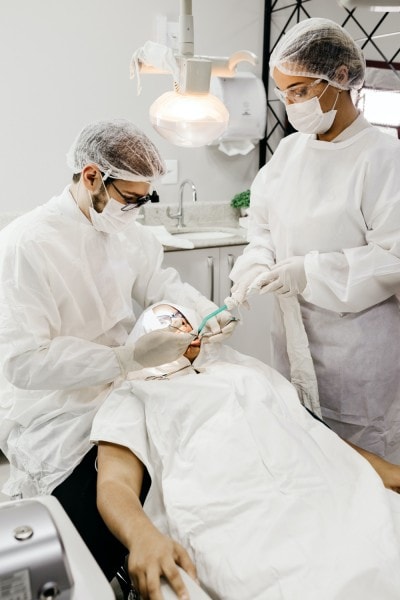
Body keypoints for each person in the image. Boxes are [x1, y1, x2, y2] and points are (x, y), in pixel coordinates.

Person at [0, 118, 236, 582]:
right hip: (56, 405)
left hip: (127, 386)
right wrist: (123, 358)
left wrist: (211, 312)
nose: (137, 210)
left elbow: (160, 284)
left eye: (145, 199)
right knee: (98, 517)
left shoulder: (130, 233)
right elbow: (22, 362)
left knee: (192, 460)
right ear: (91, 177)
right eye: (131, 198)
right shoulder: (27, 244)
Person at [92, 302, 400, 600]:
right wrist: (141, 536)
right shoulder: (134, 394)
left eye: (184, 319)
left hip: (317, 488)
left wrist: (380, 467)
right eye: (167, 323)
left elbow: (309, 431)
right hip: (229, 508)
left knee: (379, 544)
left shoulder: (239, 370)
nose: (182, 327)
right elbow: (114, 483)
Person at [229, 17, 400, 462]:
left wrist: (309, 272)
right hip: (292, 341)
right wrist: (255, 261)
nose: (290, 105)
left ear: (340, 78)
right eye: (284, 93)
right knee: (305, 455)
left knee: (365, 470)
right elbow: (262, 225)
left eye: (300, 91)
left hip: (357, 357)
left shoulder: (383, 159)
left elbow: (394, 256)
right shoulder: (290, 151)